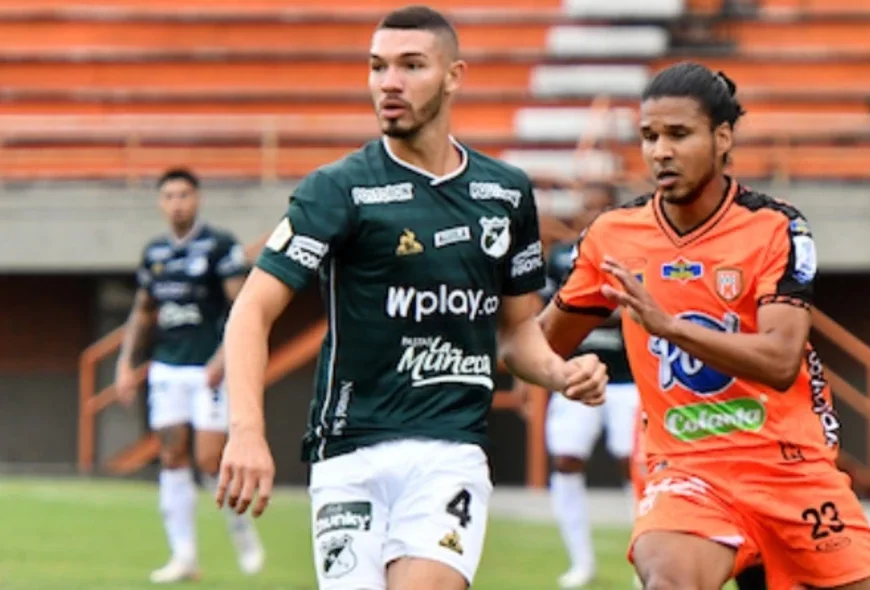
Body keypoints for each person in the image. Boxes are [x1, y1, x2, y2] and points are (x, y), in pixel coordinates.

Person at [213, 6, 608, 590]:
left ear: (453, 76)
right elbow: (252, 309)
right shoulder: (338, 190)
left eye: (410, 66)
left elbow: (516, 332)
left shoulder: (504, 193)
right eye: (377, 67)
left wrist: (559, 370)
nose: (388, 83)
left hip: (450, 450)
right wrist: (245, 429)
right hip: (348, 455)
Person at [538, 62, 870, 590]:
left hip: (788, 467)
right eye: (649, 136)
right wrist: (563, 373)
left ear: (723, 137)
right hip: (686, 470)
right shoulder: (614, 235)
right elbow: (540, 344)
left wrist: (668, 327)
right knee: (670, 580)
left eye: (678, 135)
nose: (660, 151)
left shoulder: (776, 227)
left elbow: (779, 361)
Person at [112, 167, 264, 584]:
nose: (177, 203)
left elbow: (243, 308)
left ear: (197, 198)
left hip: (208, 368)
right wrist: (126, 362)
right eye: (169, 196)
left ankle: (239, 526)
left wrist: (222, 360)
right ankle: (184, 556)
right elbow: (144, 311)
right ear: (161, 202)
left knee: (209, 459)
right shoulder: (155, 252)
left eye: (184, 195)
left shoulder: (220, 246)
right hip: (166, 368)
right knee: (172, 457)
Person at [533, 183, 641, 588]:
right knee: (565, 458)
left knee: (634, 466)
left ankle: (642, 561)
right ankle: (581, 562)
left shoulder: (635, 251)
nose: (594, 213)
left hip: (630, 379)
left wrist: (588, 309)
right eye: (588, 206)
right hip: (576, 373)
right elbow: (550, 310)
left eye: (602, 206)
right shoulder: (563, 256)